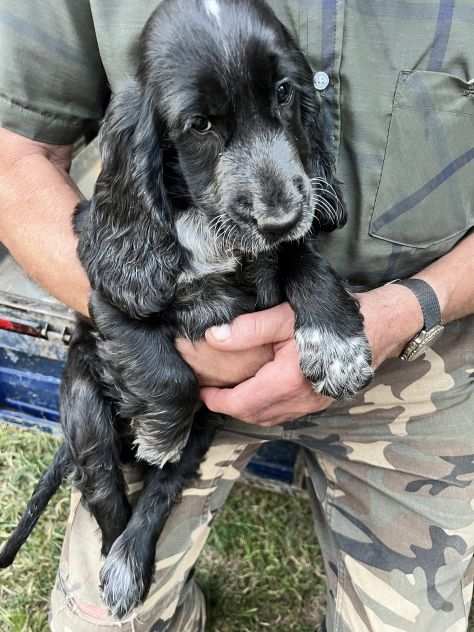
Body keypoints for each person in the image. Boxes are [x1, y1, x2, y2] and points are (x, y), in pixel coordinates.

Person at [0, 1, 473, 630]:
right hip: (178, 346)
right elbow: (14, 155)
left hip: (420, 341)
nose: (280, 206)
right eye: (202, 125)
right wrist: (159, 346)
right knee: (101, 621)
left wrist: (409, 309)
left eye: (282, 97)